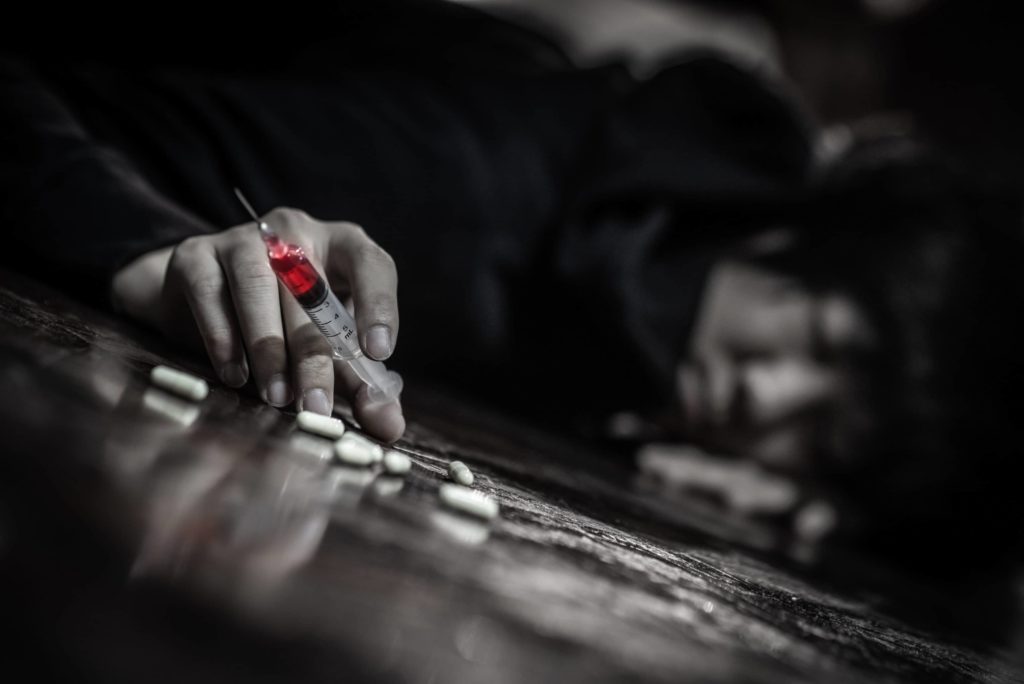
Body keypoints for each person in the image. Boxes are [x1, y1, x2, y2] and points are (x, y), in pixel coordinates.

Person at [2, 12, 1022, 569]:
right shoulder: (470, 178)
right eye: (831, 340)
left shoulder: (638, 363)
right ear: (810, 233)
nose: (769, 399)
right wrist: (147, 248)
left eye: (826, 437)